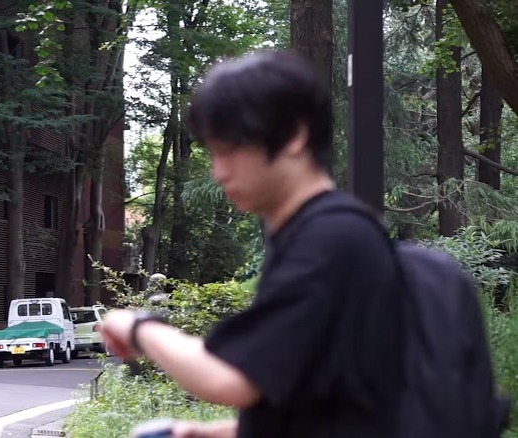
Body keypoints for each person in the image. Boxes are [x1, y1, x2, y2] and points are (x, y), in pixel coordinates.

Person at [100, 50, 405, 437]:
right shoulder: (316, 233)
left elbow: (232, 378)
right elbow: (322, 406)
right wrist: (208, 433)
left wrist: (140, 327)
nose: (219, 171)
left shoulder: (330, 239)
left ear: (294, 135)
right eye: (213, 152)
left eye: (231, 150)